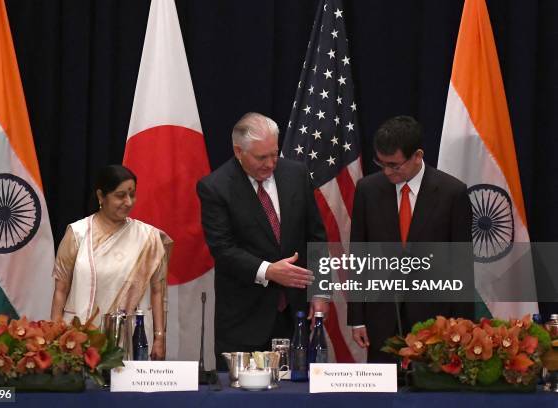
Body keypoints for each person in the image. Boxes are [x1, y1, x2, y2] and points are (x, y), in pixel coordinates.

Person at [197, 112, 329, 370]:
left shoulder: (296, 174)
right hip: (244, 320)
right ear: (238, 151)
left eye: (274, 154)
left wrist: (321, 291)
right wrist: (269, 271)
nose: (271, 164)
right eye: (261, 157)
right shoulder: (216, 187)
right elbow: (223, 249)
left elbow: (316, 236)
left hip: (295, 317)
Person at [347, 115, 473, 363]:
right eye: (381, 163)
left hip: (435, 325)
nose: (387, 171)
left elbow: (462, 268)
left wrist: (462, 325)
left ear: (417, 155)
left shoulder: (452, 193)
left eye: (395, 165)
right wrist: (357, 317)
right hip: (381, 321)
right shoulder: (367, 190)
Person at [50, 164, 172, 360]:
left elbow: (158, 292)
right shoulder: (78, 234)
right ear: (101, 196)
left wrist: (159, 338)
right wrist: (54, 335)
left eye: (132, 194)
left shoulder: (148, 237)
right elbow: (61, 289)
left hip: (132, 339)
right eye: (120, 195)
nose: (128, 201)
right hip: (80, 339)